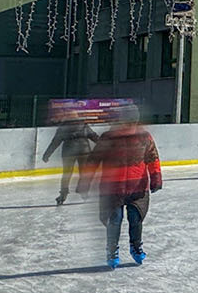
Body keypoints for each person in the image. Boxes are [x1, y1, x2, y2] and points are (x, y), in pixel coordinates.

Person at [92, 107, 162, 269]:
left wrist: (156, 178)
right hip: (113, 189)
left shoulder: (144, 137)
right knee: (114, 220)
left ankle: (136, 247)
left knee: (135, 219)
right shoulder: (108, 138)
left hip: (137, 187)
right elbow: (94, 160)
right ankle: (111, 251)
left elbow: (153, 159)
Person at [42, 116, 99, 205]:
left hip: (69, 152)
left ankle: (63, 195)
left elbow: (55, 142)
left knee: (67, 173)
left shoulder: (63, 128)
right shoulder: (83, 125)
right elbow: (94, 137)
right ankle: (84, 191)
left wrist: (47, 154)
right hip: (84, 151)